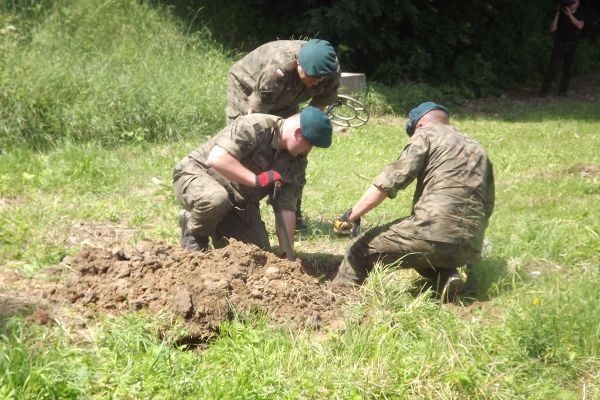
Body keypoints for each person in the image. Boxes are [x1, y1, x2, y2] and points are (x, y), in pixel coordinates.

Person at [332, 102, 495, 300]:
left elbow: (389, 181)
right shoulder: (477, 148)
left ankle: (340, 302)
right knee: (424, 248)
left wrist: (351, 215)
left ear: (419, 125)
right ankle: (446, 276)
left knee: (358, 249)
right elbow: (488, 205)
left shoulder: (425, 135)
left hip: (433, 230)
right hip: (471, 244)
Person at [173, 106, 332, 256]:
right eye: (309, 144)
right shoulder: (256, 126)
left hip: (237, 203)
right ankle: (194, 232)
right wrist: (257, 180)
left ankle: (218, 228)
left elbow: (285, 207)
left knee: (256, 255)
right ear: (298, 133)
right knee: (215, 198)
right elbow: (217, 159)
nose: (308, 150)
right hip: (196, 175)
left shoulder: (296, 159)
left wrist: (287, 254)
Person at [226, 38, 341, 230]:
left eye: (321, 78)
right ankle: (239, 206)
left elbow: (315, 113)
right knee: (246, 146)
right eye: (312, 76)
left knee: (297, 148)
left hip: (287, 96)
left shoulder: (330, 71)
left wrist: (302, 140)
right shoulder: (277, 69)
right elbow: (254, 119)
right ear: (298, 63)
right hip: (247, 88)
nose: (316, 82)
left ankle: (291, 209)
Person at [540, 0, 585, 97]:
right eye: (570, 3)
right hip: (559, 44)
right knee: (552, 67)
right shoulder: (561, 15)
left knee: (568, 69)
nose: (571, 5)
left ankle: (563, 91)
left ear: (577, 3)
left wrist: (569, 15)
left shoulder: (580, 14)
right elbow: (552, 29)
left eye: (573, 3)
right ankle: (544, 91)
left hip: (572, 45)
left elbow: (579, 25)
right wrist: (557, 13)